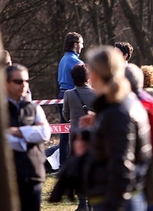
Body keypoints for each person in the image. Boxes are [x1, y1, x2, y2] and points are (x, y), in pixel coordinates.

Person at [82, 46, 152, 210]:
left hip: (118, 199)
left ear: (98, 74)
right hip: (122, 195)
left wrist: (113, 204)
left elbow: (122, 164)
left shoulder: (117, 112)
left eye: (90, 70)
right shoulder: (122, 104)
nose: (88, 76)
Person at [5, 64, 51, 211]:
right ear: (5, 83)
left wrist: (17, 132)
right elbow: (0, 140)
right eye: (18, 81)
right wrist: (31, 134)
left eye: (26, 81)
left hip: (33, 175)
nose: (23, 85)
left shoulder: (34, 108)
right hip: (7, 177)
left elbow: (44, 133)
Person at [62, 63, 96, 211]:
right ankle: (92, 203)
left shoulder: (68, 94)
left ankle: (82, 204)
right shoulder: (96, 93)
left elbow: (66, 115)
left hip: (76, 137)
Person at [57, 32, 84, 167]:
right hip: (74, 96)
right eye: (81, 43)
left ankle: (63, 165)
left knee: (63, 132)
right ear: (75, 44)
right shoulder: (76, 62)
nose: (82, 46)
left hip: (61, 95)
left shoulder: (63, 59)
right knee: (78, 132)